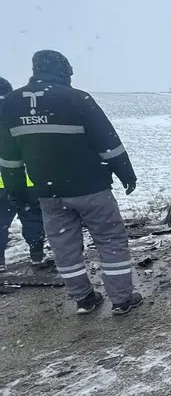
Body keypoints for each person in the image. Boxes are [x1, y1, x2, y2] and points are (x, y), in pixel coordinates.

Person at [0, 50, 142, 315]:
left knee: (64, 247)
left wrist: (17, 191)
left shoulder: (11, 104)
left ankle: (84, 299)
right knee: (110, 241)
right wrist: (126, 174)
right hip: (92, 189)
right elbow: (108, 143)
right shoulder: (76, 99)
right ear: (63, 70)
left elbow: (9, 159)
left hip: (50, 194)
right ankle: (122, 300)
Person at [0, 77, 47, 272]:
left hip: (2, 184)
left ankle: (0, 264)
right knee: (32, 218)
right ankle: (37, 256)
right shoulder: (20, 114)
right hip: (26, 179)